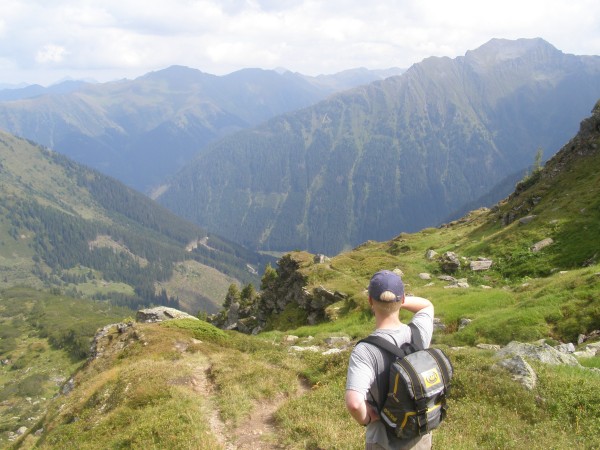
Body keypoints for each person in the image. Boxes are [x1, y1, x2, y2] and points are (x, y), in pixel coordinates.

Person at [345, 270, 435, 450]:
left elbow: (354, 403)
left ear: (370, 301)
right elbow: (426, 305)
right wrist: (397, 300)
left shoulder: (365, 351)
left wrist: (367, 418)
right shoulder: (418, 333)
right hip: (419, 433)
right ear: (402, 300)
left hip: (384, 439)